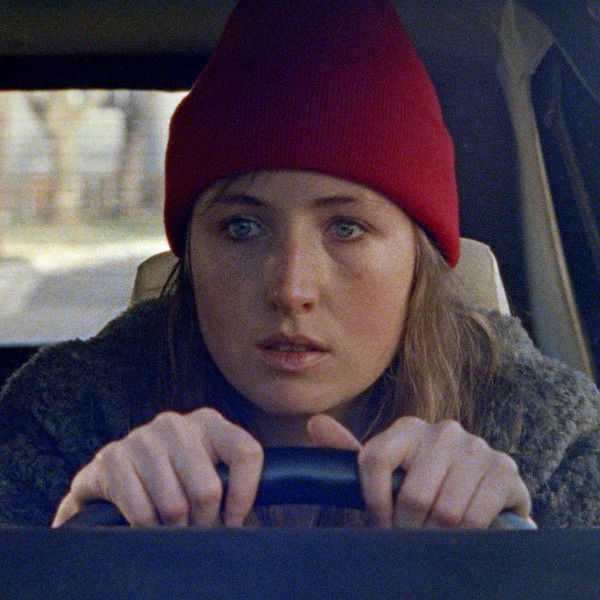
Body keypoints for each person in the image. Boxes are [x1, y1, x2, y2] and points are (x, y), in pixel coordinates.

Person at [1, 0, 599, 529]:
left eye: (346, 228)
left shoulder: (543, 441)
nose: (291, 289)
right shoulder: (62, 425)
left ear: (420, 262)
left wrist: (516, 563)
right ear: (192, 256)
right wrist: (63, 554)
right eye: (241, 227)